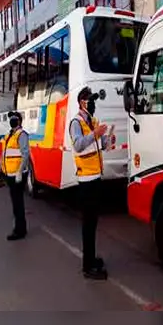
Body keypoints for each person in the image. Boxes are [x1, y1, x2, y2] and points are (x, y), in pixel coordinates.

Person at [69, 86, 112, 280]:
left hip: (96, 177)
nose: (93, 103)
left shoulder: (92, 121)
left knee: (93, 223)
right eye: (90, 100)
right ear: (82, 103)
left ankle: (92, 259)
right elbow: (78, 145)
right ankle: (88, 267)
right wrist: (95, 134)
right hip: (86, 180)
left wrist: (108, 138)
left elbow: (100, 144)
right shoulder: (76, 123)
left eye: (94, 100)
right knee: (88, 224)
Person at [0, 110, 30, 241]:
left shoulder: (21, 135)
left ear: (19, 121)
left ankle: (19, 230)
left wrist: (19, 172)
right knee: (15, 202)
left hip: (17, 175)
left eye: (14, 118)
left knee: (18, 203)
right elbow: (4, 153)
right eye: (10, 118)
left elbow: (25, 154)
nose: (11, 120)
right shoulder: (9, 135)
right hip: (9, 174)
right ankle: (21, 228)